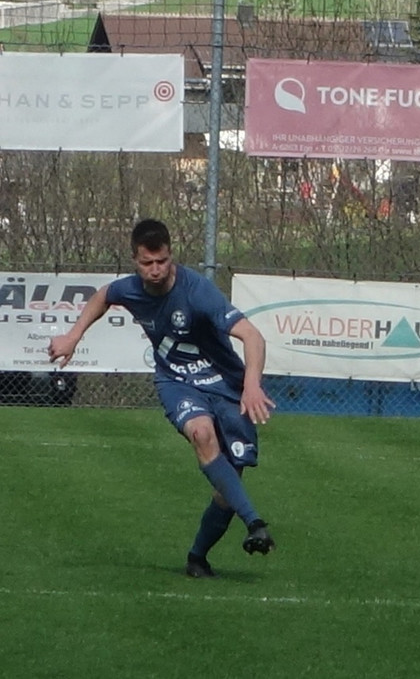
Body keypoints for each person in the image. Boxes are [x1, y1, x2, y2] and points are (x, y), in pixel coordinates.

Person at [48, 219, 277, 577]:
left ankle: (197, 557)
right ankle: (255, 523)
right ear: (135, 261)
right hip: (176, 382)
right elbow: (104, 295)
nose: (155, 270)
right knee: (201, 434)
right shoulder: (130, 289)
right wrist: (73, 336)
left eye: (162, 261)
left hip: (225, 384)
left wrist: (251, 385)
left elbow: (253, 336)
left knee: (228, 485)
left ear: (171, 257)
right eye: (147, 263)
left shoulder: (198, 292)